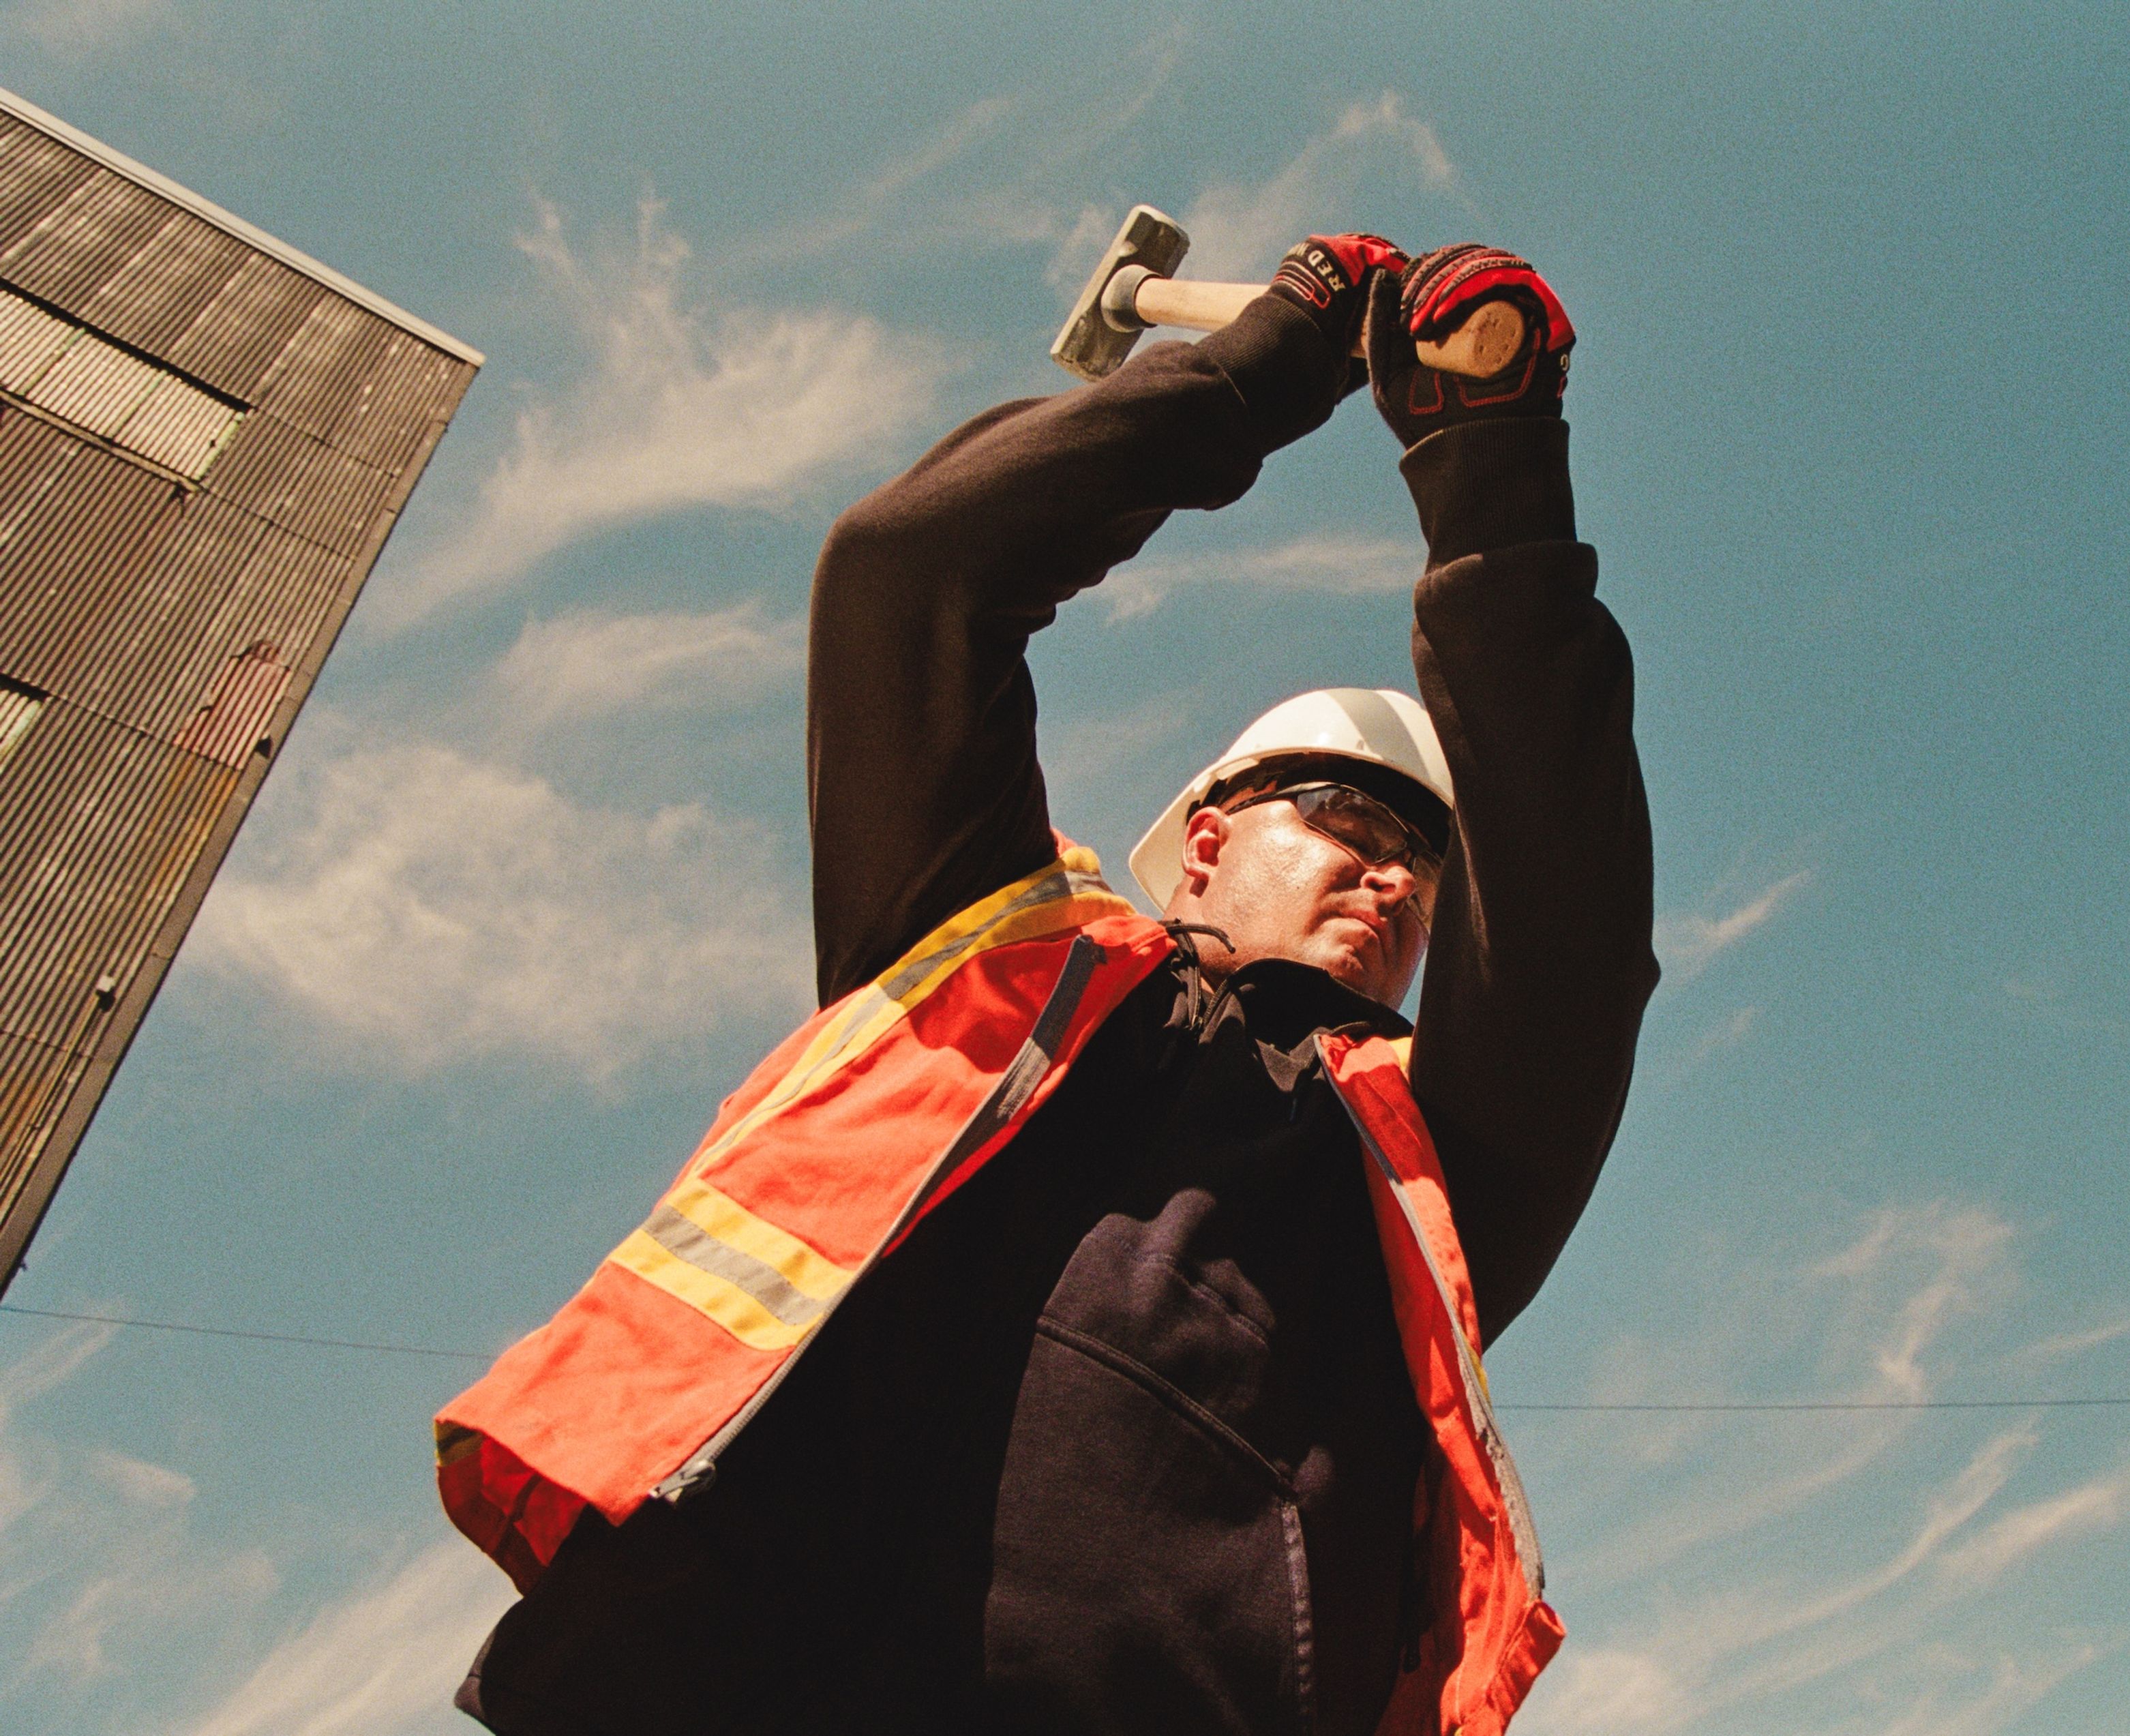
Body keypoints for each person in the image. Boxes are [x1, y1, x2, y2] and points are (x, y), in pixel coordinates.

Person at [438, 235, 1656, 1736]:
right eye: (1350, 822)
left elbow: (1568, 925)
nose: (1397, 878)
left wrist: (1494, 466)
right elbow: (915, 575)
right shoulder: (991, 957)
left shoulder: (1431, 1177)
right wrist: (1278, 354)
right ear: (1203, 841)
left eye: (1426, 863)